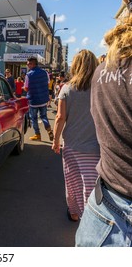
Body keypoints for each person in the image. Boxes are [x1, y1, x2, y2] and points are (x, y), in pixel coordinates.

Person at [75, 0, 132, 246]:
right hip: (108, 205)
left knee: (75, 179)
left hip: (106, 208)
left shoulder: (104, 71)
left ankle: (72, 208)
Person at [51, 50, 100, 221]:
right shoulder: (100, 88)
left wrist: (56, 140)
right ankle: (92, 218)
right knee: (92, 184)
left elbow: (60, 117)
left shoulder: (67, 88)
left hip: (71, 144)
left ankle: (73, 213)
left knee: (72, 181)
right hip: (95, 147)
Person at [24, 56, 54, 141]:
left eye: (28, 64)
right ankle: (49, 130)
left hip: (33, 100)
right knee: (44, 116)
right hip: (43, 99)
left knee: (34, 118)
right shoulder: (45, 73)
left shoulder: (28, 75)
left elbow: (26, 88)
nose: (27, 65)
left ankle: (37, 135)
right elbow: (48, 84)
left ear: (32, 64)